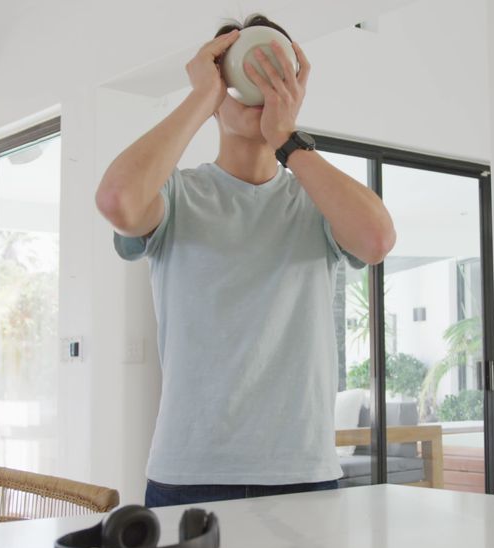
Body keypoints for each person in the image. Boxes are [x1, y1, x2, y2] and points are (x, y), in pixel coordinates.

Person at [94, 14, 396, 507]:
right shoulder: (177, 196)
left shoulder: (315, 201)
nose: (256, 86)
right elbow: (116, 201)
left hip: (302, 469)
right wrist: (203, 96)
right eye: (240, 74)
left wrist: (289, 140)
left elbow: (378, 240)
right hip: (191, 471)